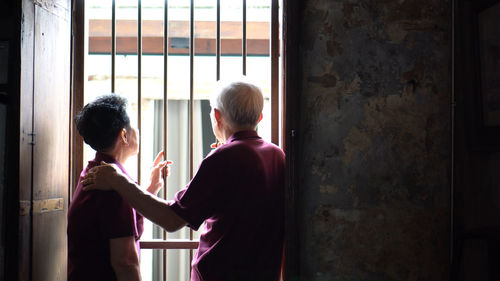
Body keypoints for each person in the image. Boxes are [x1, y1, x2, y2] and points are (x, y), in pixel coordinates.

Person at [82, 81, 286, 281]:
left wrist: (118, 181)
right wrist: (151, 188)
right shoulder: (278, 155)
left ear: (217, 115)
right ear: (259, 117)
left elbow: (172, 220)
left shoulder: (223, 158)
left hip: (220, 273)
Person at [67, 94, 168, 281]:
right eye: (133, 125)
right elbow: (126, 262)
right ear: (123, 135)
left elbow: (116, 224)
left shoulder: (96, 172)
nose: (137, 130)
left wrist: (151, 188)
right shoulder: (113, 185)